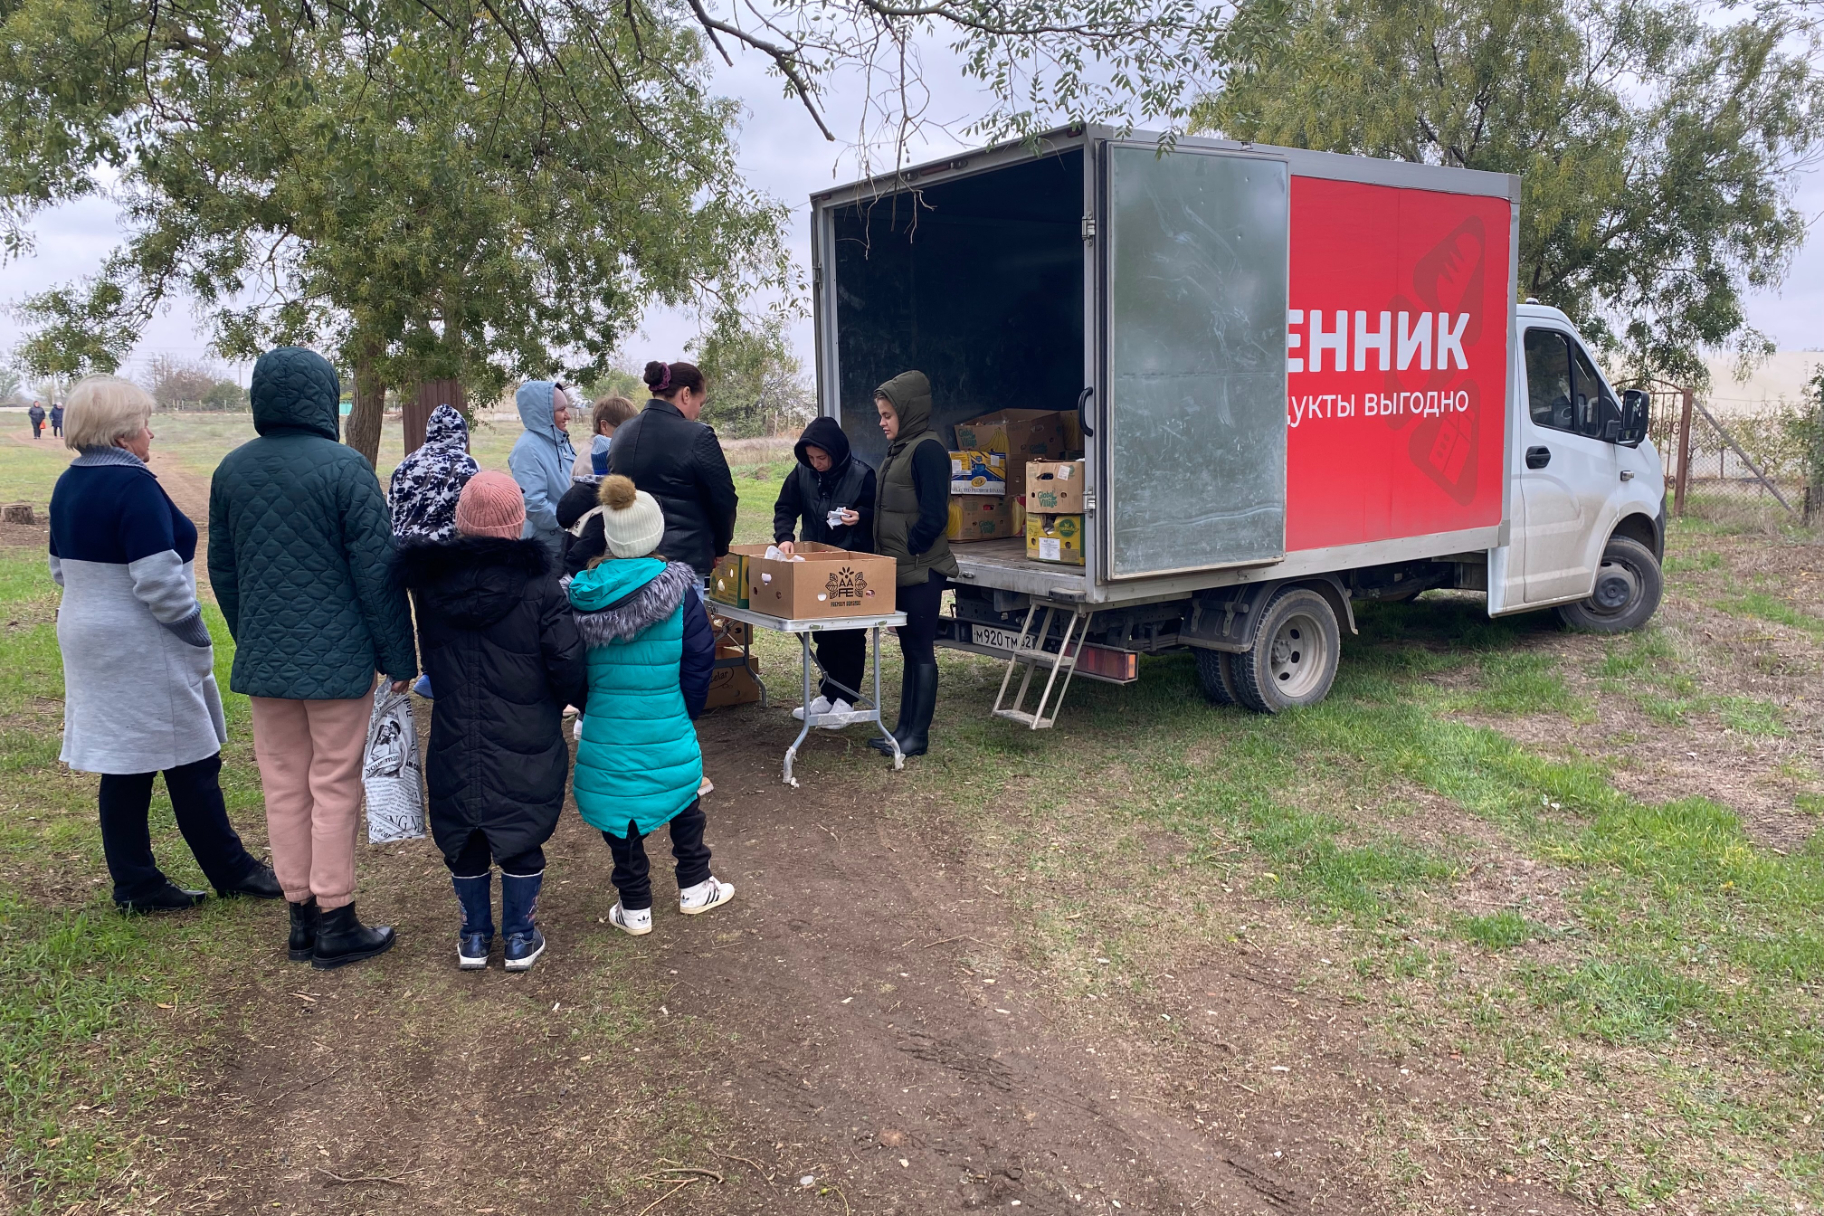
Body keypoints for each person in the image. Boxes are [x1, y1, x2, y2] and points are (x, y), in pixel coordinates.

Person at [208, 347, 419, 970]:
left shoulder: (231, 470)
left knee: (282, 785)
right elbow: (377, 574)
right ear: (324, 397)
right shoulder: (346, 468)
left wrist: (253, 634)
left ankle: (299, 915)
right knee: (333, 785)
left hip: (268, 661)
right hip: (338, 660)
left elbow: (224, 569)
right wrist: (399, 654)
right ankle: (336, 917)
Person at [49, 376, 282, 913]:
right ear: (125, 433)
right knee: (192, 756)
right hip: (140, 638)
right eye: (145, 424)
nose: (150, 433)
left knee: (125, 762)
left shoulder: (69, 483)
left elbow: (60, 569)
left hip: (87, 630)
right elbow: (157, 578)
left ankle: (137, 883)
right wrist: (192, 630)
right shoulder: (132, 485)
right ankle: (230, 870)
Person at [398, 471, 586, 971]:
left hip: (456, 728)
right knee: (521, 830)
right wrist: (580, 698)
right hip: (525, 729)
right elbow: (565, 659)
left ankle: (475, 936)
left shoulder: (431, 587)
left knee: (466, 833)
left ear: (462, 523)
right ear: (516, 522)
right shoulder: (541, 584)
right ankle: (520, 937)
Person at [569, 475, 730, 935]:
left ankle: (634, 904)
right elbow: (700, 659)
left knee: (619, 809)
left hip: (606, 723)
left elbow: (569, 664)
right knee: (682, 793)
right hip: (668, 715)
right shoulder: (679, 594)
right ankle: (695, 885)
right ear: (656, 534)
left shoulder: (582, 595)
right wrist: (686, 710)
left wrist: (592, 705)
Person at [868, 371, 956, 760]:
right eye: (881, 415)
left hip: (922, 569)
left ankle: (916, 737)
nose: (882, 422)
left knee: (921, 651)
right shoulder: (900, 449)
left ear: (908, 411)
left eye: (888, 415)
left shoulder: (928, 450)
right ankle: (900, 731)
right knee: (908, 649)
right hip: (901, 568)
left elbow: (935, 514)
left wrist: (914, 548)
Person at [773, 416, 877, 723]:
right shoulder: (802, 472)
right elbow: (785, 507)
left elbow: (879, 513)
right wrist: (785, 538)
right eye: (811, 458)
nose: (816, 463)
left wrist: (861, 516)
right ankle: (828, 693)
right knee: (822, 632)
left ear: (837, 452)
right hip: (814, 562)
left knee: (849, 632)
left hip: (852, 563)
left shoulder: (862, 475)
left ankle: (847, 697)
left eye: (822, 458)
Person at [606, 361, 738, 581]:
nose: (697, 413)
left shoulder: (621, 433)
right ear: (686, 394)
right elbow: (723, 499)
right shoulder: (698, 435)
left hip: (628, 562)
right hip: (683, 562)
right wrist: (721, 547)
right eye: (700, 403)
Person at [555, 394, 639, 576]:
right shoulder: (592, 459)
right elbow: (591, 506)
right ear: (604, 426)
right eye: (625, 430)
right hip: (590, 552)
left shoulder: (603, 453)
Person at [390, 404, 479, 544]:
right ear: (462, 433)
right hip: (443, 552)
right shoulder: (466, 465)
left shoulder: (405, 464)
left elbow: (393, 511)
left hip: (403, 553)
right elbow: (474, 513)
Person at [508, 380, 577, 560]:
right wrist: (570, 523)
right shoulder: (528, 449)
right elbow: (533, 504)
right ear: (543, 413)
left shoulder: (560, 443)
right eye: (561, 410)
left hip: (565, 542)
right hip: (546, 550)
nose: (567, 416)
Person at [572, 394, 636, 480]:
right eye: (625, 429)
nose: (631, 436)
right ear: (604, 426)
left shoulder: (601, 452)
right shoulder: (592, 461)